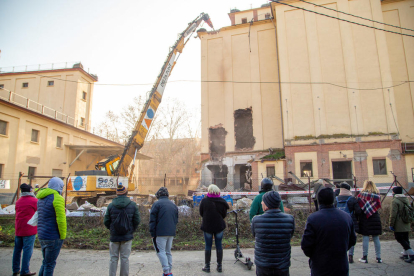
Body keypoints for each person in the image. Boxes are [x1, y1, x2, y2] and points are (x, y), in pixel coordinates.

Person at [301, 187, 356, 276]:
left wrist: (315, 256)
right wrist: (341, 250)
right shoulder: (346, 217)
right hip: (341, 265)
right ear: (334, 199)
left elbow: (306, 245)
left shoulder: (313, 219)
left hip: (320, 266)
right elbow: (352, 240)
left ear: (319, 201)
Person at [251, 191, 295, 276]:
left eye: (263, 201)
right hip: (282, 265)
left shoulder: (256, 220)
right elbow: (290, 235)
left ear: (267, 204)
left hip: (263, 265)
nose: (261, 203)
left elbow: (255, 235)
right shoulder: (289, 219)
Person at [104, 185, 140, 276]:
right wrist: (131, 229)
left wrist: (112, 229)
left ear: (117, 193)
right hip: (127, 236)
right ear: (126, 193)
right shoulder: (132, 205)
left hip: (114, 236)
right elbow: (137, 220)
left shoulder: (111, 205)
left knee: (113, 258)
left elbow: (106, 221)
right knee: (125, 258)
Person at [36, 177, 67, 276]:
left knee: (46, 262)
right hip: (53, 236)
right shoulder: (57, 198)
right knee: (50, 264)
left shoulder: (40, 198)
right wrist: (62, 236)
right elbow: (61, 220)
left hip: (42, 235)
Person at [199, 184, 229, 273]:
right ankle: (219, 266)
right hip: (219, 226)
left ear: (209, 191)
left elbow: (201, 213)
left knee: (208, 246)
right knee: (219, 245)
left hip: (207, 226)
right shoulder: (222, 201)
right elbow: (224, 215)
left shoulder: (204, 201)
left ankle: (207, 267)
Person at [150, 187, 178, 276]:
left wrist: (152, 233)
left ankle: (167, 271)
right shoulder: (173, 205)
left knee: (161, 251)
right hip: (171, 232)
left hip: (160, 232)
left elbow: (152, 220)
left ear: (158, 195)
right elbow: (176, 219)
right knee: (168, 251)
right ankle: (169, 270)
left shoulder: (156, 204)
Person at [13, 184, 38, 276]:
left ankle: (15, 269)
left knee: (17, 250)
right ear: (30, 191)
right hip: (29, 229)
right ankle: (25, 270)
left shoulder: (18, 201)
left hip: (18, 229)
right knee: (27, 250)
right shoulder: (34, 201)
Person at [334, 182, 361, 263]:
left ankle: (341, 255)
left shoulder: (336, 199)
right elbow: (358, 211)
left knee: (339, 239)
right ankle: (350, 256)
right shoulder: (352, 199)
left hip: (338, 222)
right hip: (350, 221)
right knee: (351, 238)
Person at [356, 180, 382, 263]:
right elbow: (378, 206)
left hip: (365, 218)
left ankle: (364, 257)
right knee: (376, 237)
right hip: (375, 217)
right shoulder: (377, 195)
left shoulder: (361, 195)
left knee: (365, 237)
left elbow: (359, 207)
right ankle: (378, 258)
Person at [389, 186, 414, 263]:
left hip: (399, 223)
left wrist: (391, 224)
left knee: (399, 238)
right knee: (405, 238)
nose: (392, 192)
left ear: (395, 192)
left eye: (393, 191)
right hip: (406, 222)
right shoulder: (405, 199)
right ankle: (405, 254)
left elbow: (393, 214)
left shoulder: (395, 201)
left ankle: (412, 254)